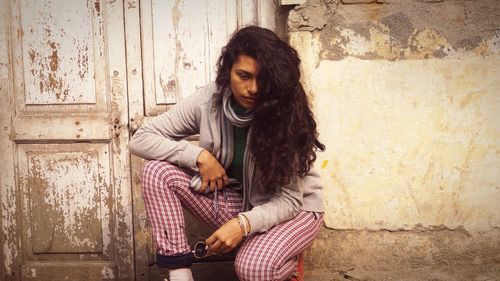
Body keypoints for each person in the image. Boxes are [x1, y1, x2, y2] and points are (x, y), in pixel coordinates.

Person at [129, 25, 326, 281]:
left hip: (296, 210)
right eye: (243, 76)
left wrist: (242, 224)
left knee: (252, 268)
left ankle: (284, 267)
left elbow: (288, 201)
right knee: (157, 172)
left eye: (262, 78)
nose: (253, 89)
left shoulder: (285, 112)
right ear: (227, 71)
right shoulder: (208, 102)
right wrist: (199, 156)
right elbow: (141, 139)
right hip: (242, 199)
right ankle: (180, 275)